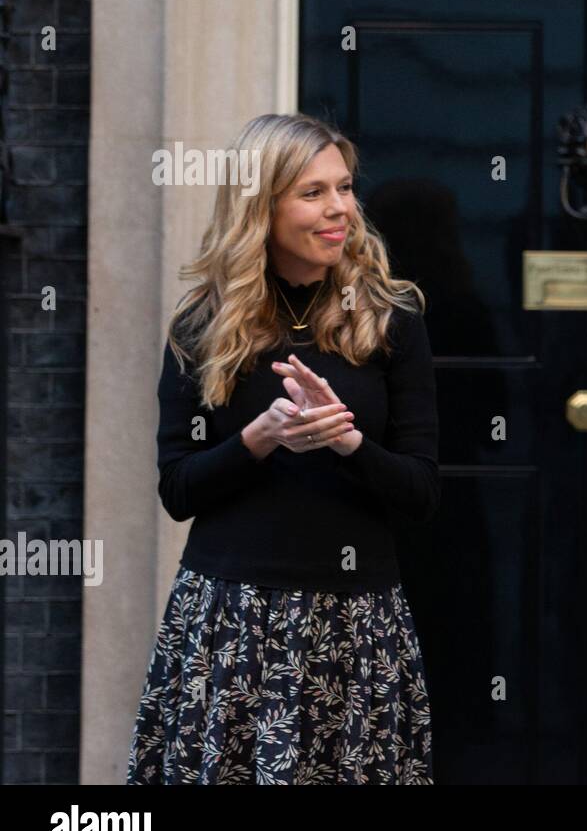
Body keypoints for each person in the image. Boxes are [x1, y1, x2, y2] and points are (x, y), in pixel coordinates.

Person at [126, 113, 439, 784]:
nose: (339, 211)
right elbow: (177, 490)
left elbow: (420, 491)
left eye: (345, 188)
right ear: (260, 207)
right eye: (313, 193)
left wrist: (347, 440)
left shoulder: (390, 321)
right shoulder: (205, 326)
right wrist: (258, 439)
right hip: (232, 622)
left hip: (356, 622)